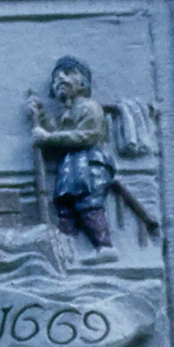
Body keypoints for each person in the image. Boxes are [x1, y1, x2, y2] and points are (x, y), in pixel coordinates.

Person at [27, 55, 116, 260]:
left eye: (68, 73)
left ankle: (105, 247)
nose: (60, 79)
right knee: (65, 208)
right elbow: (60, 132)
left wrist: (48, 138)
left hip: (89, 165)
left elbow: (89, 135)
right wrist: (41, 115)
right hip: (71, 167)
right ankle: (67, 252)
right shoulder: (68, 111)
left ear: (83, 82)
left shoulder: (88, 107)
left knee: (88, 204)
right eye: (56, 78)